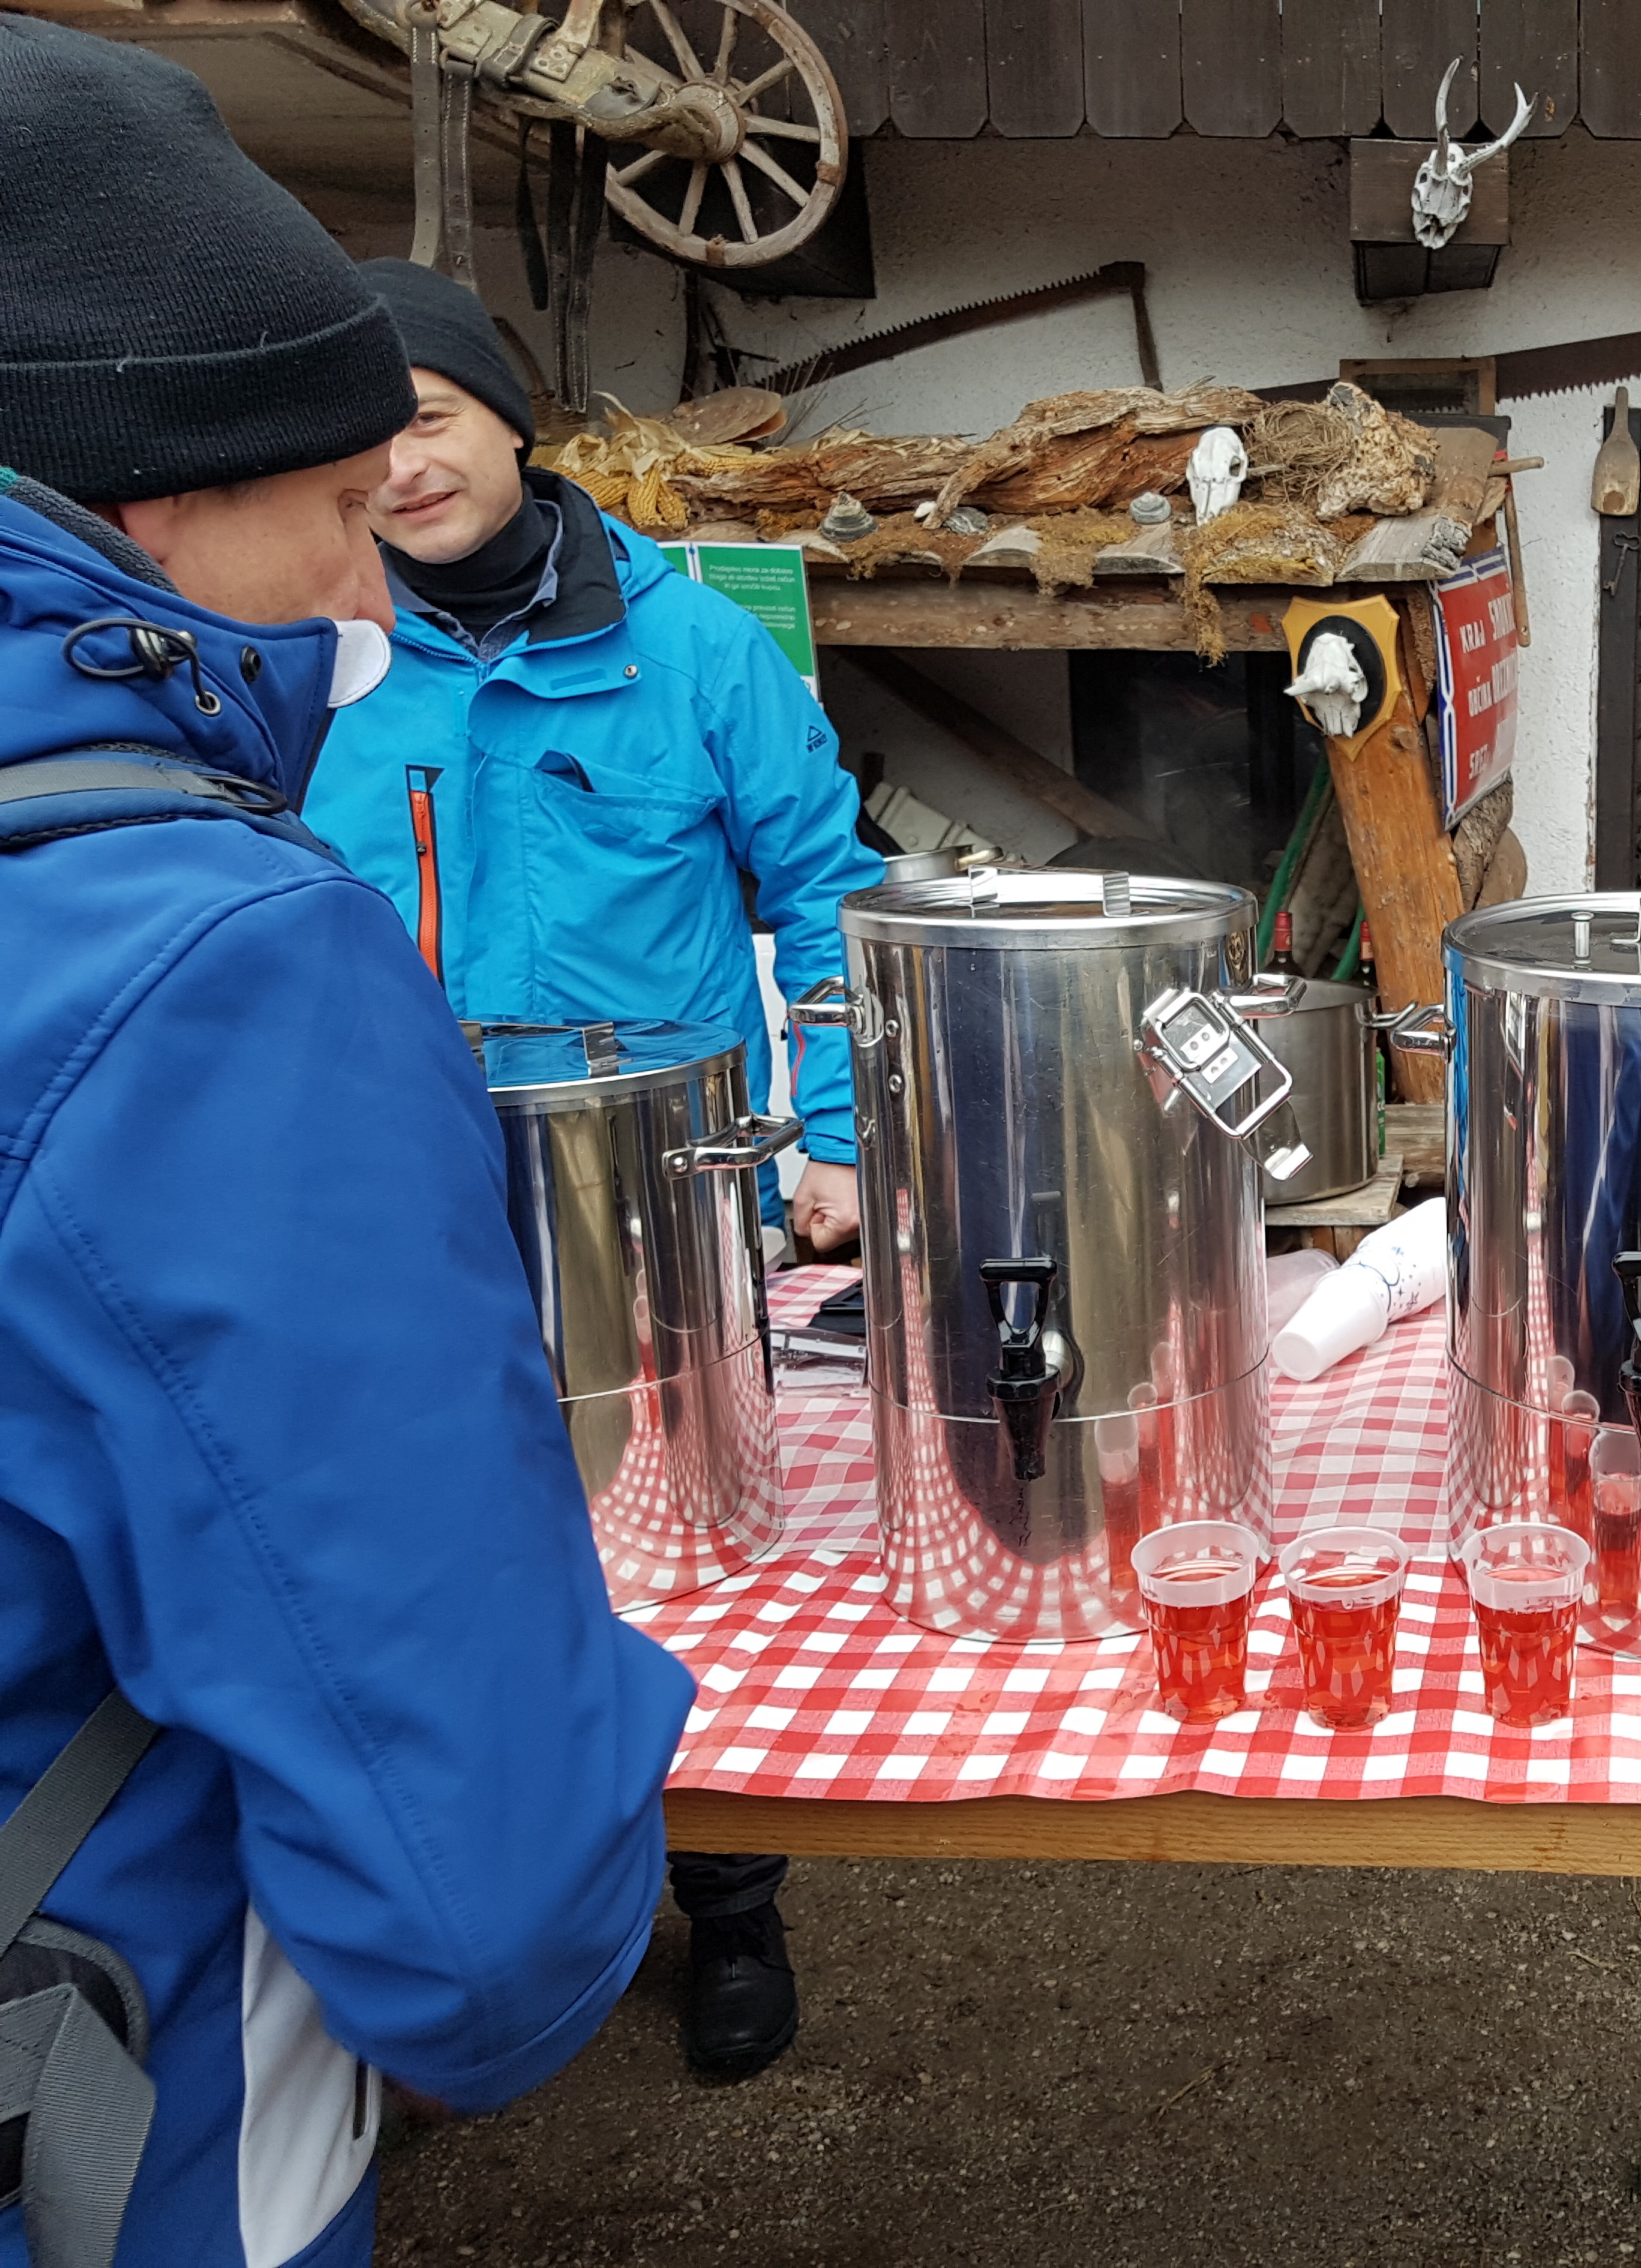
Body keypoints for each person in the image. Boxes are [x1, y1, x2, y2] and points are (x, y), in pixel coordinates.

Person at [0, 22, 697, 2266]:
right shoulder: (204, 961)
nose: (370, 601)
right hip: (103, 2110)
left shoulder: (682, 651)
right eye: (331, 514)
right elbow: (483, 1913)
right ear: (152, 501)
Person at [301, 261, 882, 2082]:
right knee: (432, 1558)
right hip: (400, 1183)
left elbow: (829, 891)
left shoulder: (691, 648)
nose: (401, 468)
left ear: (509, 417)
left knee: (675, 1551)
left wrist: (841, 1133)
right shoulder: (316, 652)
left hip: (656, 1186)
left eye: (428, 417)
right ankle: (503, 1917)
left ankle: (730, 1896)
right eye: (362, 439)